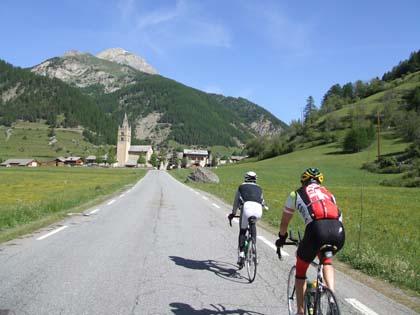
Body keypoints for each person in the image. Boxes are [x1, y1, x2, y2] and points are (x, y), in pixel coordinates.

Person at [275, 168, 345, 315]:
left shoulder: (296, 194)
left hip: (316, 230)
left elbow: (284, 222)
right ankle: (331, 296)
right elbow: (338, 216)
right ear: (319, 181)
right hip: (338, 231)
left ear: (303, 181)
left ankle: (300, 311)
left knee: (300, 269)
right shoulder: (328, 194)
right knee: (326, 259)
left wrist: (282, 238)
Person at [228, 171, 267, 268]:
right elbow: (262, 201)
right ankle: (253, 248)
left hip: (246, 208)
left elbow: (236, 202)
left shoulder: (241, 187)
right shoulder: (259, 188)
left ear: (246, 178)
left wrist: (233, 214)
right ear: (255, 179)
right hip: (258, 210)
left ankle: (241, 253)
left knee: (243, 230)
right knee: (253, 223)